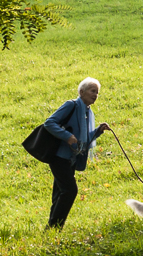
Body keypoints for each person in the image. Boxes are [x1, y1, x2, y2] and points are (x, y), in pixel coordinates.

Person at [43, 77, 110, 229]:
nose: (95, 95)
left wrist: (98, 131)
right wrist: (67, 136)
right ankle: (54, 227)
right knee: (70, 191)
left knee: (60, 193)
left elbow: (82, 140)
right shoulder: (71, 105)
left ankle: (51, 229)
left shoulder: (87, 112)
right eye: (92, 91)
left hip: (71, 159)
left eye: (97, 93)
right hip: (60, 156)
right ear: (81, 92)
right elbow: (49, 123)